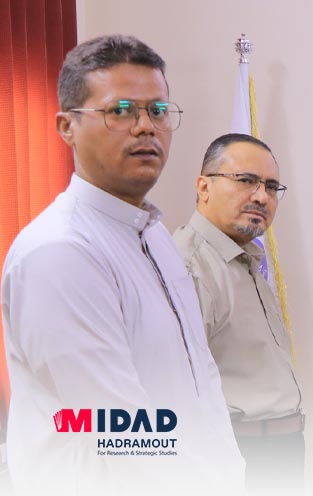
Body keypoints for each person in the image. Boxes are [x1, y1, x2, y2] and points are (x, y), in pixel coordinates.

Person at [0, 35, 243, 493]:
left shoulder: (154, 235)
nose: (145, 127)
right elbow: (122, 433)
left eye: (158, 111)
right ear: (67, 127)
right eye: (121, 110)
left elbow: (202, 381)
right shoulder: (60, 251)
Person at [173, 133, 303, 492]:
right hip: (237, 457)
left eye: (272, 187)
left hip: (275, 452)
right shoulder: (187, 267)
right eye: (246, 180)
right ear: (204, 187)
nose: (262, 196)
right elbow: (174, 393)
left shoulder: (243, 258)